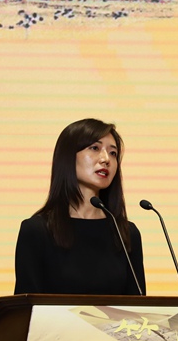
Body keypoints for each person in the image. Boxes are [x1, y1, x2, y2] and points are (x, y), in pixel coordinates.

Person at [14, 118, 146, 295]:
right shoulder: (37, 231)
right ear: (68, 157)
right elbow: (26, 307)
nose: (106, 159)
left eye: (113, 153)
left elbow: (138, 306)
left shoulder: (126, 233)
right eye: (95, 148)